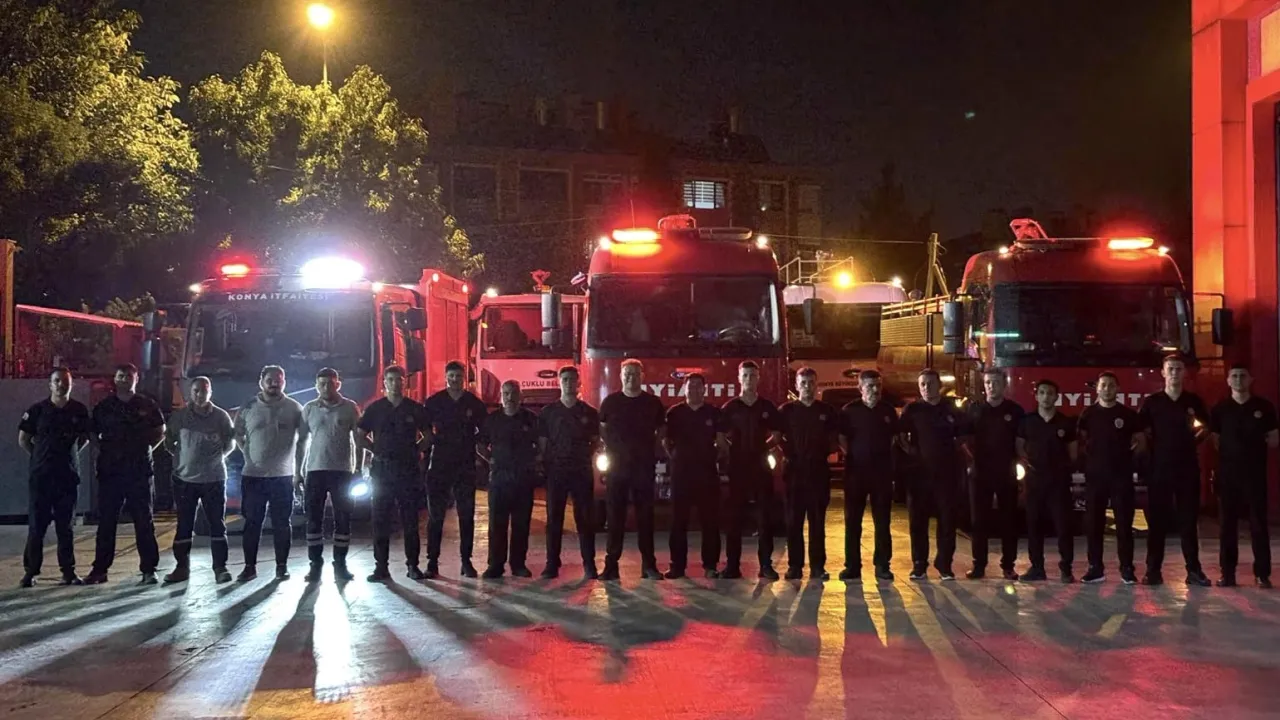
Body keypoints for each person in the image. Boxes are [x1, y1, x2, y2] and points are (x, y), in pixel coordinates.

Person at [84, 364, 165, 585]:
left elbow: (160, 431)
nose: (125, 379)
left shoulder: (147, 405)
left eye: (129, 376)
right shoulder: (104, 407)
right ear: (115, 379)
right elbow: (92, 433)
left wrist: (146, 449)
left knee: (144, 520)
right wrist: (105, 450)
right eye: (121, 376)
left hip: (139, 471)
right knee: (107, 521)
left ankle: (149, 569)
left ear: (136, 379)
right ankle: (100, 570)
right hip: (111, 472)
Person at [1139, 354, 1211, 587]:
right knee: (1157, 523)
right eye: (1170, 369)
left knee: (1188, 523)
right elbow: (1140, 432)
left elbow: (1207, 427)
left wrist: (1193, 441)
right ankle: (1153, 571)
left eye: (1178, 369)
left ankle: (1194, 570)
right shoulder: (1152, 403)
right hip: (1159, 470)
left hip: (1187, 469)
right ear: (1163, 372)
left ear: (1184, 373)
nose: (1174, 373)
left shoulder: (1193, 401)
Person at [19, 367, 91, 588]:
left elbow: (84, 439)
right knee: (37, 527)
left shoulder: (78, 410)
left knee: (65, 527)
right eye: (57, 381)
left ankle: (68, 572)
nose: (61, 385)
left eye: (65, 381)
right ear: (50, 384)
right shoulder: (37, 410)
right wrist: (41, 457)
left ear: (71, 384)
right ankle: (31, 572)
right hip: (41, 477)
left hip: (67, 477)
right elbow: (24, 439)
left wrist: (68, 457)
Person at [358, 365, 431, 581]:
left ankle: (413, 566)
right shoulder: (375, 409)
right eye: (390, 380)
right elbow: (360, 435)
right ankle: (381, 567)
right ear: (384, 383)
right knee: (380, 521)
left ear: (405, 382)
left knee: (410, 521)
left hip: (407, 471)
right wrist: (375, 450)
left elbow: (428, 436)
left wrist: (415, 450)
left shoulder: (415, 409)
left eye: (399, 379)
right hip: (382, 472)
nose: (395, 383)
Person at [234, 365, 305, 582]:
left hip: (282, 476)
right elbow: (237, 434)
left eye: (279, 380)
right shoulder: (248, 406)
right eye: (270, 380)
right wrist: (247, 453)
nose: (274, 383)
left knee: (282, 523)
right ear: (261, 382)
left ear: (284, 382)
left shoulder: (294, 408)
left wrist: (298, 471)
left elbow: (303, 441)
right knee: (252, 523)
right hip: (253, 476)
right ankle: (249, 567)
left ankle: (281, 567)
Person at [1210, 364, 1278, 588]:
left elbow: (1274, 438)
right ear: (1228, 381)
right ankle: (1227, 574)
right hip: (1228, 477)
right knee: (1227, 527)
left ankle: (1262, 575)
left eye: (1242, 376)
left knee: (1258, 526)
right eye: (1234, 376)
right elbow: (1215, 441)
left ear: (1251, 380)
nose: (1238, 379)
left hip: (1255, 477)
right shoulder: (1220, 409)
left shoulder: (1264, 407)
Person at [599, 359, 667, 580]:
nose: (631, 377)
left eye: (635, 373)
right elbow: (602, 428)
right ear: (621, 376)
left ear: (642, 376)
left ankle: (649, 566)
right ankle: (611, 566)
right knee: (615, 518)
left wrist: (652, 450)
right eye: (627, 373)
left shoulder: (652, 403)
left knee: (645, 518)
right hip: (617, 469)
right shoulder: (610, 402)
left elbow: (662, 430)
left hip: (643, 468)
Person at [162, 377, 235, 585]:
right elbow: (169, 442)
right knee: (184, 525)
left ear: (210, 392)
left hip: (214, 479)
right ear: (190, 393)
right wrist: (183, 459)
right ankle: (181, 568)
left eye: (204, 391)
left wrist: (216, 458)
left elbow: (230, 443)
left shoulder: (221, 417)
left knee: (217, 525)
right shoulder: (179, 417)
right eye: (196, 390)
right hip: (184, 480)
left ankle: (220, 568)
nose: (199, 394)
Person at [898, 368, 965, 581]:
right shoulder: (912, 409)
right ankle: (919, 564)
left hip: (947, 474)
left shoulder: (951, 408)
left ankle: (944, 564)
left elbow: (963, 435)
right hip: (919, 476)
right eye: (923, 384)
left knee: (947, 520)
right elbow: (901, 435)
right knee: (918, 521)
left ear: (939, 385)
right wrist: (912, 453)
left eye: (931, 383)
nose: (927, 388)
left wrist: (951, 453)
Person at [423, 360, 487, 579]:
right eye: (451, 376)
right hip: (439, 465)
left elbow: (484, 432)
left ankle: (466, 562)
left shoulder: (474, 404)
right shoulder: (434, 402)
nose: (454, 380)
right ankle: (432, 562)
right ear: (446, 378)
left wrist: (478, 450)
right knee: (436, 516)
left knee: (466, 516)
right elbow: (424, 430)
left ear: (464, 378)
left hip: (465, 466)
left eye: (458, 376)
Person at [298, 368, 362, 583]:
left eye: (331, 383)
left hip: (342, 471)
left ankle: (340, 563)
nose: (326, 387)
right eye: (322, 384)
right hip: (314, 471)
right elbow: (301, 442)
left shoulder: (350, 408)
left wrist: (358, 469)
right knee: (313, 519)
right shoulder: (309, 409)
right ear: (316, 386)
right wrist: (298, 471)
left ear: (338, 384)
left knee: (343, 518)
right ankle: (315, 564)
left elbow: (358, 440)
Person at [1077, 372, 1142, 585]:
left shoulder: (1128, 415)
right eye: (1103, 385)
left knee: (1124, 524)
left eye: (1111, 385)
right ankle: (1095, 568)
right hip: (1095, 477)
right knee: (1094, 524)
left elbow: (1139, 441)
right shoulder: (1088, 414)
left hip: (1121, 477)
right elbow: (1081, 442)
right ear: (1097, 388)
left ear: (1118, 388)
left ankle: (1127, 568)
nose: (1107, 389)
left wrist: (1129, 460)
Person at [721, 360, 783, 580]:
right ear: (739, 378)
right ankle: (732, 566)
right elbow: (720, 436)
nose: (749, 379)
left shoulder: (767, 407)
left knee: (764, 518)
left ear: (759, 378)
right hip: (738, 468)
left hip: (761, 467)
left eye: (753, 375)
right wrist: (734, 450)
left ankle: (766, 565)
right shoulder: (730, 407)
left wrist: (761, 448)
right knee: (734, 518)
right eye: (745, 375)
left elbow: (777, 435)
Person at [537, 366, 600, 580]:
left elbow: (595, 441)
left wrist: (583, 456)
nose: (568, 383)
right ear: (559, 382)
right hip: (556, 472)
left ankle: (589, 564)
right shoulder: (548, 413)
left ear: (578, 382)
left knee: (585, 520)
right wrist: (546, 464)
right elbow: (543, 442)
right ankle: (551, 564)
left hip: (581, 471)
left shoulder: (589, 413)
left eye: (572, 379)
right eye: (564, 379)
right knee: (554, 519)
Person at [663, 373, 725, 579]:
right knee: (678, 522)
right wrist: (677, 457)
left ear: (704, 389)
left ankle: (710, 566)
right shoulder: (674, 413)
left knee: (710, 522)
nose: (694, 389)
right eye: (691, 386)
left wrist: (712, 458)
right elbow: (665, 442)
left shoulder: (714, 413)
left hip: (707, 474)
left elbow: (721, 442)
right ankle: (677, 566)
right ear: (685, 388)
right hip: (681, 475)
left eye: (698, 386)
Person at [964, 368, 1024, 581]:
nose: (991, 386)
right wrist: (972, 462)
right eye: (988, 382)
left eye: (996, 382)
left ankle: (1008, 565)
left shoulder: (1015, 411)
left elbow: (1021, 442)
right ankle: (978, 565)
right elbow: (966, 439)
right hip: (980, 473)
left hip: (1006, 472)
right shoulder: (974, 409)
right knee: (979, 521)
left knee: (1009, 521)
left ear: (1004, 384)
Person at [779, 367, 838, 581]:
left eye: (811, 382)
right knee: (793, 522)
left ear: (817, 384)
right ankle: (794, 566)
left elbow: (834, 440)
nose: (807, 386)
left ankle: (818, 567)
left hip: (818, 472)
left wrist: (823, 453)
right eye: (803, 382)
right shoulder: (786, 411)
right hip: (794, 472)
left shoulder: (827, 411)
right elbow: (777, 437)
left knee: (817, 522)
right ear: (796, 385)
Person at [1016, 380, 1078, 583]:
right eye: (1042, 392)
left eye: (1050, 393)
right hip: (1034, 480)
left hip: (1058, 482)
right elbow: (1020, 446)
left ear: (1056, 397)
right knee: (1034, 525)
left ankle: (1066, 568)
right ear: (1036, 396)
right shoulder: (1027, 421)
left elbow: (1073, 452)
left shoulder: (1065, 423)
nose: (1046, 396)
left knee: (1063, 526)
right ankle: (1037, 568)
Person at [839, 370, 897, 583]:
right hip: (856, 474)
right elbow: (841, 438)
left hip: (881, 474)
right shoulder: (849, 411)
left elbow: (894, 437)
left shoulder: (888, 410)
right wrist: (854, 455)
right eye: (870, 386)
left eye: (878, 385)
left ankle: (882, 565)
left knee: (882, 521)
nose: (875, 390)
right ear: (860, 388)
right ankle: (852, 566)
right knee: (853, 521)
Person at [479, 381, 541, 579]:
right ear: (501, 396)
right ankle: (495, 565)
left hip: (523, 479)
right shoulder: (492, 420)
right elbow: (480, 445)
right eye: (506, 393)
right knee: (497, 524)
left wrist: (534, 461)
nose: (509, 397)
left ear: (520, 396)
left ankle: (518, 564)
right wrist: (491, 460)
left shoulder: (531, 419)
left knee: (521, 524)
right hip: (499, 479)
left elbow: (541, 444)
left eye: (514, 393)